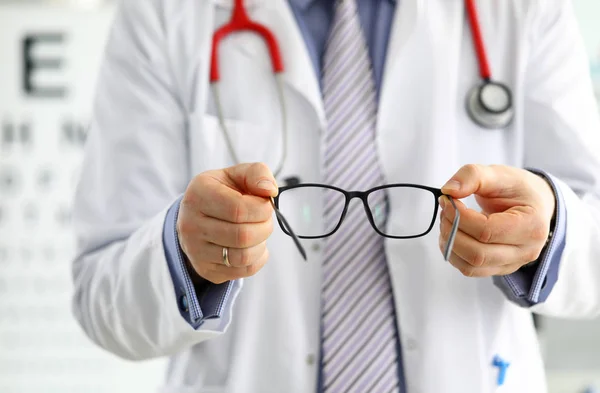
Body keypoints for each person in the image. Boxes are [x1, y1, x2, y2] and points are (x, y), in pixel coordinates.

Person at [71, 0, 600, 392]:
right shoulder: (163, 15)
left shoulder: (524, 10)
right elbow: (102, 291)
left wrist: (551, 231)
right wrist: (184, 258)